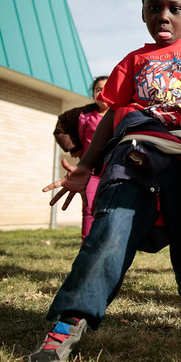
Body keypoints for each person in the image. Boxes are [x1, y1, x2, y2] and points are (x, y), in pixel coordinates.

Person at [28, 0, 181, 362]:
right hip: (136, 156)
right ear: (143, 13)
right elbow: (112, 115)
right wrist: (85, 166)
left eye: (174, 8)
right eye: (154, 7)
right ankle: (71, 319)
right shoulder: (133, 61)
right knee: (111, 230)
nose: (164, 16)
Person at [53, 76, 109, 241]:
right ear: (93, 94)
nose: (103, 93)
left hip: (115, 169)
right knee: (89, 206)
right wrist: (73, 146)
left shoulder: (121, 113)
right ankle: (87, 244)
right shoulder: (83, 114)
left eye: (107, 88)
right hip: (91, 171)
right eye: (98, 89)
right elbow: (61, 125)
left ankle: (109, 243)